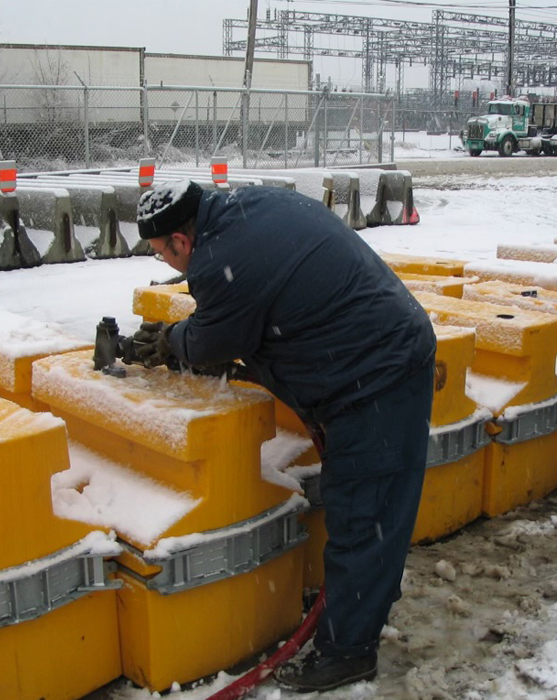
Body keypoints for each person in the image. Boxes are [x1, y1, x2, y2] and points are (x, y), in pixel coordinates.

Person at [133, 179, 436, 693]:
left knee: (364, 517)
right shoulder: (248, 205)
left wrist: (172, 340)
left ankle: (348, 652)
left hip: (376, 376)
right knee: (367, 511)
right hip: (371, 351)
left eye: (163, 253)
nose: (167, 263)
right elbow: (259, 302)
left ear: (181, 241)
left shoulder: (219, 259)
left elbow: (214, 337)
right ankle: (363, 598)